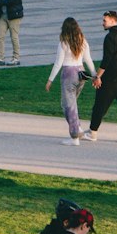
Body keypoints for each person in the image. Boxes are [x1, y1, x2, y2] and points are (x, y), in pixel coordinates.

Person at [82, 10, 117, 143]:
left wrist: (97, 76)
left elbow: (106, 60)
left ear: (112, 21)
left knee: (100, 104)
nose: (102, 23)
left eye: (104, 21)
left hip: (112, 76)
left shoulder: (110, 37)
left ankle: (93, 132)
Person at [46, 16, 97, 144]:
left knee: (68, 106)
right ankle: (78, 129)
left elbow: (58, 63)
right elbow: (88, 60)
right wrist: (95, 75)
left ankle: (74, 136)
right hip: (81, 72)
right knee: (71, 103)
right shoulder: (83, 41)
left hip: (69, 73)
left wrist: (50, 80)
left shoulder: (63, 43)